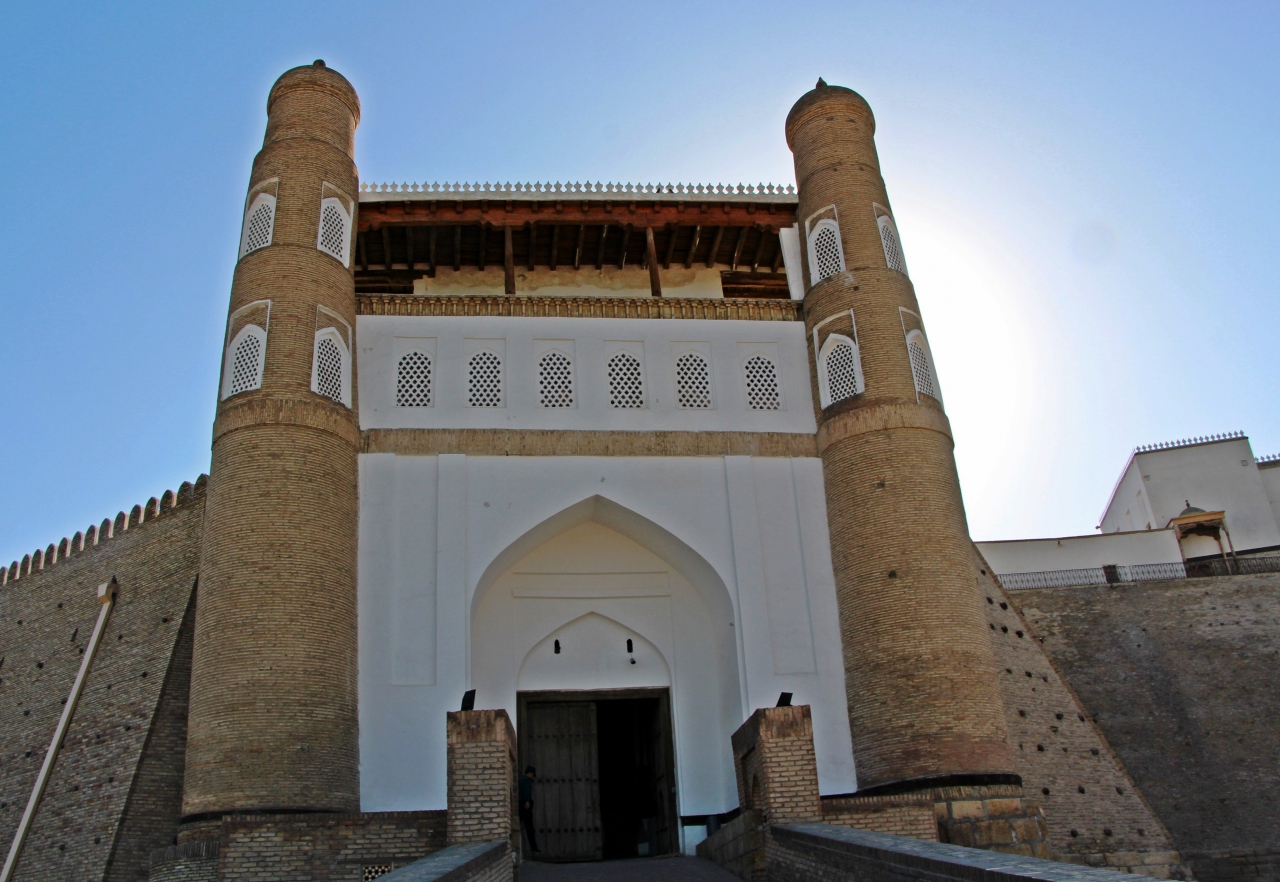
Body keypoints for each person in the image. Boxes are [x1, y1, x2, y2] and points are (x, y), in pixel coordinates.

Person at [518, 765, 540, 854]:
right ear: (530, 773)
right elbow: (527, 791)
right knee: (529, 827)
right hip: (525, 805)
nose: (532, 777)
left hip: (519, 804)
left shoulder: (520, 780)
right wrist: (527, 801)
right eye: (533, 775)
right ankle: (533, 847)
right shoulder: (527, 780)